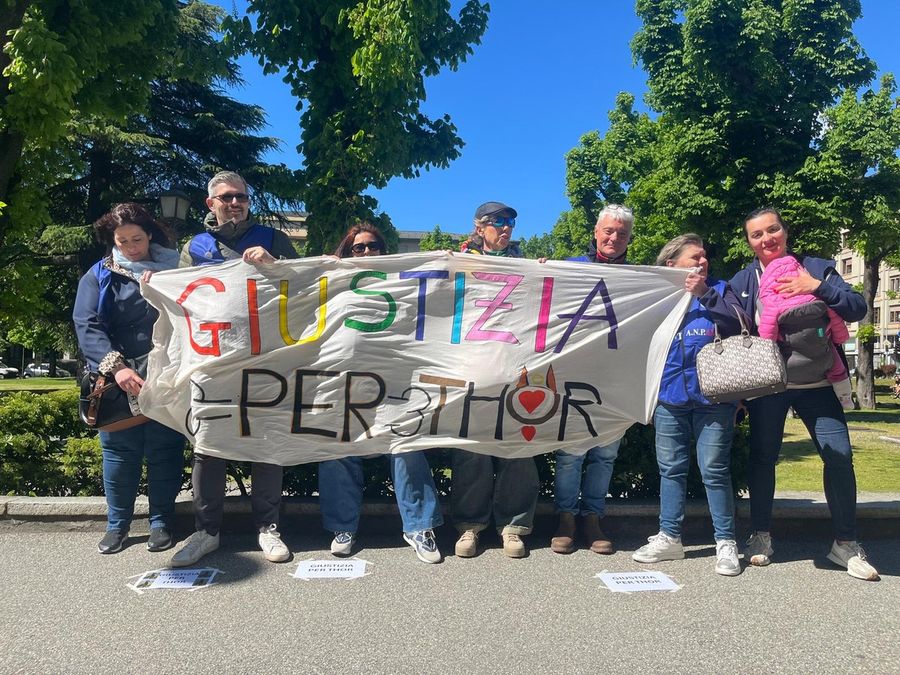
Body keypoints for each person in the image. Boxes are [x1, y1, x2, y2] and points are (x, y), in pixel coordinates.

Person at [730, 207, 878, 581]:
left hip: (818, 385)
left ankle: (845, 544)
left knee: (840, 456)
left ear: (785, 231)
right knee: (763, 458)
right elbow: (725, 320)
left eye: (773, 229)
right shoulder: (744, 280)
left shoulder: (817, 267)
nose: (767, 239)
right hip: (770, 387)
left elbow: (858, 307)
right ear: (749, 242)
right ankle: (761, 536)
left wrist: (818, 287)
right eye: (757, 234)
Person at [170, 171, 298, 567]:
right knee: (208, 447)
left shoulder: (272, 238)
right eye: (226, 196)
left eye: (241, 196)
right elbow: (179, 299)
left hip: (265, 358)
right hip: (212, 362)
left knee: (266, 443)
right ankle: (206, 531)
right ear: (211, 203)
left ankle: (268, 527)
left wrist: (274, 265)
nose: (235, 202)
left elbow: (305, 285)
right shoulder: (195, 246)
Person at [317, 222, 444, 563]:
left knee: (406, 446)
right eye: (359, 248)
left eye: (373, 246)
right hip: (346, 384)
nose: (367, 253)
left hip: (394, 385)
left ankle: (419, 527)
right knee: (337, 447)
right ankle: (342, 527)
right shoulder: (334, 284)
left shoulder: (402, 285)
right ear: (348, 252)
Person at [73, 203, 186, 554]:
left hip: (168, 372)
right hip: (118, 375)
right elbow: (87, 323)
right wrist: (117, 367)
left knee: (165, 449)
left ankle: (162, 521)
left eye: (137, 239)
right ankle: (117, 524)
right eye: (122, 241)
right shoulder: (99, 274)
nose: (131, 247)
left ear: (150, 234)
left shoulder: (178, 269)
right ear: (113, 241)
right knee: (120, 453)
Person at [631, 234, 744, 576]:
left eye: (705, 256)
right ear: (672, 264)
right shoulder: (657, 298)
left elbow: (741, 327)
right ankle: (670, 538)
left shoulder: (721, 289)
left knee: (713, 470)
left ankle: (726, 542)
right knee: (671, 470)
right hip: (669, 397)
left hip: (714, 396)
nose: (703, 260)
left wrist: (705, 294)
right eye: (695, 256)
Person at [451, 201, 540, 558]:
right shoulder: (456, 263)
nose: (505, 229)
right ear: (479, 227)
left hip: (515, 367)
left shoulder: (528, 266)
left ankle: (514, 527)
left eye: (510, 224)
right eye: (498, 222)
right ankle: (469, 526)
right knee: (471, 450)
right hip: (471, 368)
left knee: (518, 446)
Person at [550, 204, 633, 555]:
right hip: (576, 376)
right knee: (571, 454)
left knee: (605, 454)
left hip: (616, 380)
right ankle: (566, 518)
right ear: (596, 232)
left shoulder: (640, 277)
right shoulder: (571, 268)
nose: (614, 237)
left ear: (629, 238)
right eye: (608, 231)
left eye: (622, 233)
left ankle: (592, 518)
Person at [757, 255, 853, 409]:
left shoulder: (773, 304)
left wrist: (767, 348)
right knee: (837, 368)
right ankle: (845, 396)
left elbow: (767, 335)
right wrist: (840, 338)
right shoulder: (816, 296)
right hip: (821, 346)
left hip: (788, 360)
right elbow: (835, 319)